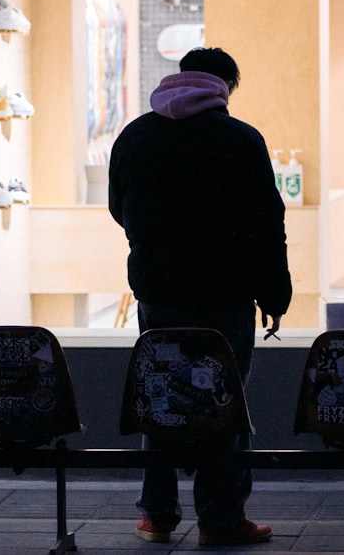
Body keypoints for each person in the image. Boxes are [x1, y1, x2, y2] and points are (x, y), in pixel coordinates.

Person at [109, 47, 292, 547]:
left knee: (161, 398)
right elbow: (266, 225)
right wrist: (275, 293)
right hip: (225, 299)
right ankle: (220, 517)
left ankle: (157, 515)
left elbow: (118, 209)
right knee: (224, 406)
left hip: (159, 295)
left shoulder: (134, 136)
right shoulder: (239, 139)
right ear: (225, 87)